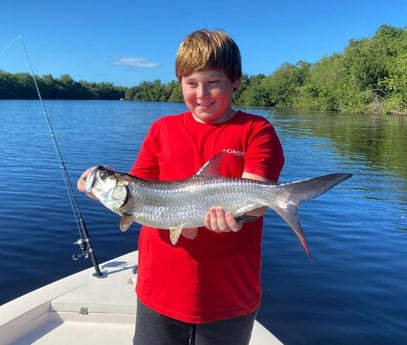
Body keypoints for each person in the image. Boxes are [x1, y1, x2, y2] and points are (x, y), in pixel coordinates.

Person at [77, 29, 284, 345]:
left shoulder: (256, 130)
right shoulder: (162, 129)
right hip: (158, 288)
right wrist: (97, 185)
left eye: (213, 83)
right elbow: (136, 186)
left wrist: (239, 216)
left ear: (236, 80)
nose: (201, 93)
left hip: (229, 295)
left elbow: (256, 198)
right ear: (180, 83)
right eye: (191, 84)